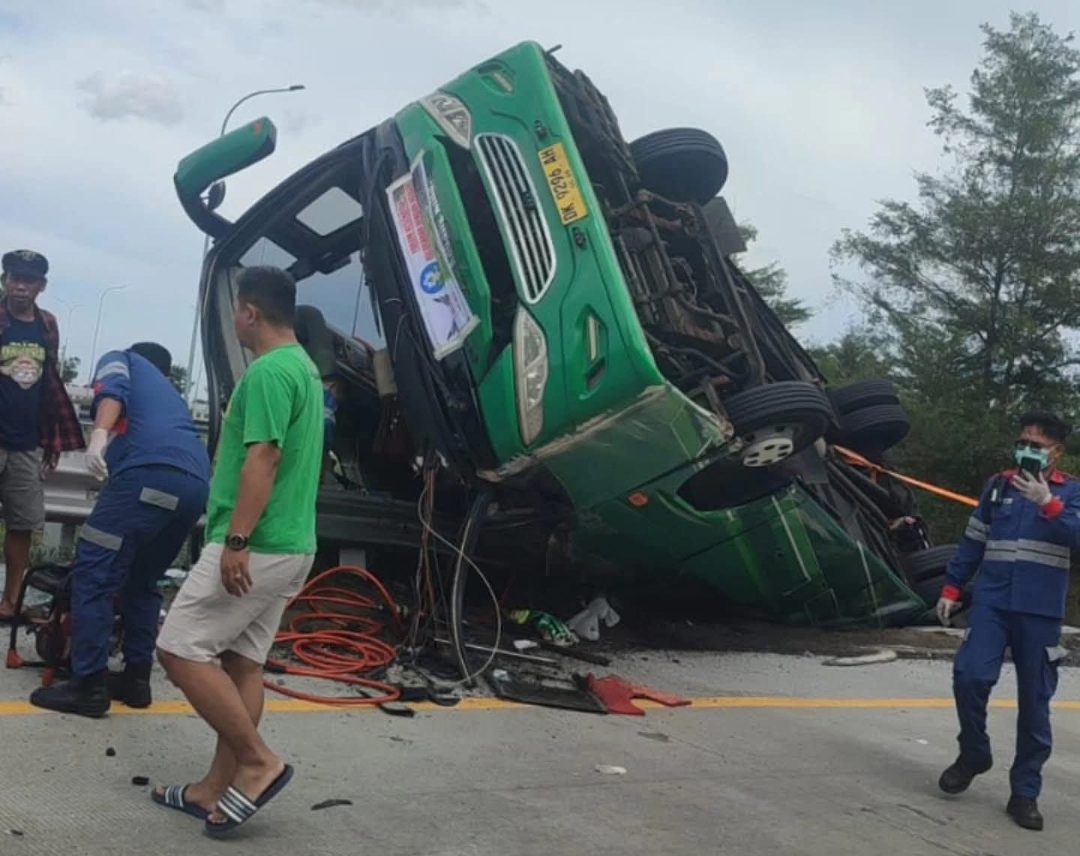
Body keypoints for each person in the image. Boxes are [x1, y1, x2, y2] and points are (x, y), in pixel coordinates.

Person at [153, 266, 323, 837]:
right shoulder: (304, 368)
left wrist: (236, 540)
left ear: (250, 312)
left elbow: (264, 457)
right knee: (242, 663)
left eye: (236, 311)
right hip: (291, 544)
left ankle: (257, 762)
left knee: (179, 649)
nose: (234, 320)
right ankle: (214, 788)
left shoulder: (269, 372)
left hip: (259, 545)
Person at [29, 342, 211, 716]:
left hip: (148, 475)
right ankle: (136, 679)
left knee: (93, 575)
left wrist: (98, 435)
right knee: (142, 581)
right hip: (195, 486)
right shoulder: (169, 400)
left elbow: (112, 391)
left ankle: (88, 685)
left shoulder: (122, 359)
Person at [936, 410, 1080, 832]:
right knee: (969, 676)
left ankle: (1025, 792)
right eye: (1022, 443)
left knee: (1034, 704)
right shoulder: (998, 486)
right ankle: (974, 753)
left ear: (1056, 451)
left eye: (1036, 445)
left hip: (1040, 611)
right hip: (992, 603)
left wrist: (1048, 503)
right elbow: (974, 539)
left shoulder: (1072, 491)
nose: (1026, 450)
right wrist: (952, 586)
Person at [0, 250, 85, 622]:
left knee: (22, 525)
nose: (20, 286)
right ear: (5, 281)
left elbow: (49, 383)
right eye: (14, 278)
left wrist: (51, 439)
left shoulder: (47, 324)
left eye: (28, 280)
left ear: (41, 286)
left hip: (27, 442)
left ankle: (11, 600)